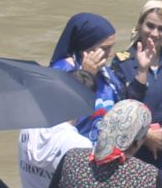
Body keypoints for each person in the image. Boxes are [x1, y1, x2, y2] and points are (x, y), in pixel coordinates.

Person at [111, 0, 162, 154]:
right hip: (134, 148)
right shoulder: (122, 62)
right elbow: (120, 108)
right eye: (150, 26)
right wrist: (147, 135)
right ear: (140, 25)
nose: (155, 33)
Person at [48, 12, 123, 145]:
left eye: (112, 47)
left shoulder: (106, 74)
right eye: (104, 48)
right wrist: (86, 75)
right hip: (75, 153)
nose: (111, 54)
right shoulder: (61, 72)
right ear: (85, 48)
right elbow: (61, 123)